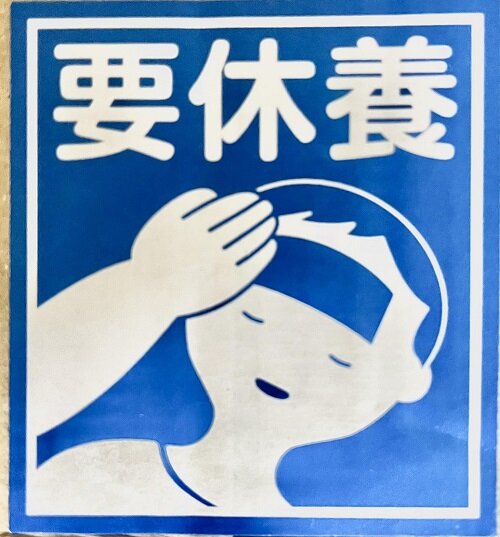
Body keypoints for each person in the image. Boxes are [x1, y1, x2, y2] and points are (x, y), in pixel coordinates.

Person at [28, 188, 432, 515]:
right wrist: (146, 282)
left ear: (403, 383)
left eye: (339, 361)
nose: (283, 362)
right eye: (253, 320)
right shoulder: (94, 473)